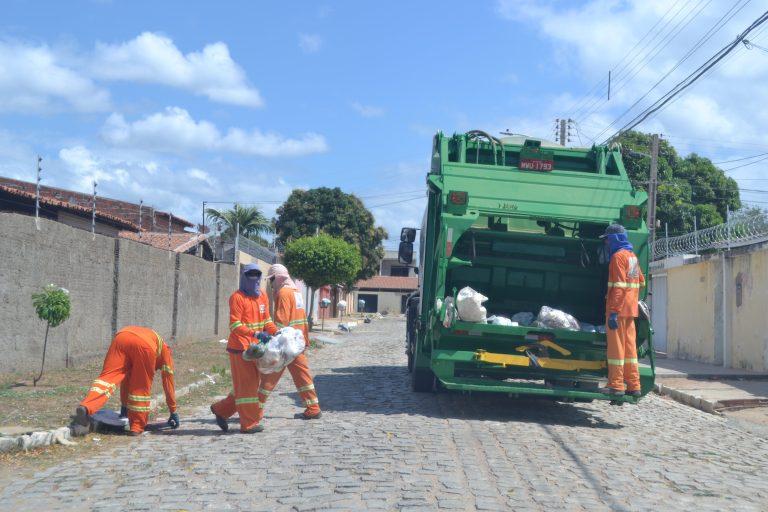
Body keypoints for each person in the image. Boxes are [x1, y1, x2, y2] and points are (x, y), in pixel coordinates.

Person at [210, 263, 277, 433]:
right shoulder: (237, 297)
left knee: (249, 385)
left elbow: (267, 320)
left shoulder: (262, 296)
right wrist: (255, 333)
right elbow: (235, 324)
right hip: (240, 349)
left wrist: (276, 332)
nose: (254, 279)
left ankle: (221, 410)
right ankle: (249, 424)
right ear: (244, 277)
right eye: (250, 275)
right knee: (247, 387)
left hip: (256, 349)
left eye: (257, 275)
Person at [74, 326, 178, 436]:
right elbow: (168, 384)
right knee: (141, 388)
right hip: (144, 346)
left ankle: (86, 407)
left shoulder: (154, 337)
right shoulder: (166, 353)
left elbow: (126, 380)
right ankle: (136, 427)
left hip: (121, 337)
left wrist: (125, 406)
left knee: (107, 378)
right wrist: (173, 411)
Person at [257, 264, 321, 420]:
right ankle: (313, 408)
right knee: (303, 377)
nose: (270, 283)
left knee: (269, 376)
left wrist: (272, 341)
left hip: (286, 345)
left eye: (271, 279)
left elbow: (281, 320)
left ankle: (254, 409)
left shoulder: (283, 293)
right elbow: (302, 318)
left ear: (278, 278)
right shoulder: (295, 291)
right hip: (297, 343)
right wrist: (305, 340)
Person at [600, 224, 645, 397]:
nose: (606, 244)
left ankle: (616, 385)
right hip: (630, 311)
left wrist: (613, 311)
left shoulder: (617, 257)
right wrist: (631, 301)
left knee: (616, 350)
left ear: (614, 239)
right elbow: (640, 282)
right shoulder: (632, 257)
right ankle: (634, 385)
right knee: (629, 350)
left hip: (618, 312)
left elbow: (619, 286)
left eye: (607, 240)